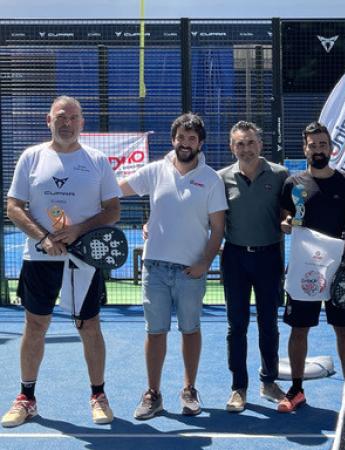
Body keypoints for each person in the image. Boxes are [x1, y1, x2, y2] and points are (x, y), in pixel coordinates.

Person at [2, 96, 121, 427]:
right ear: (48, 120)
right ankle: (26, 398)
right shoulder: (31, 157)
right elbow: (14, 206)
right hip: (40, 258)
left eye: (73, 117)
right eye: (60, 117)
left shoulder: (97, 161)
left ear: (82, 123)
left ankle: (98, 395)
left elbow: (113, 210)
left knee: (89, 326)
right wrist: (43, 237)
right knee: (35, 326)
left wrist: (79, 230)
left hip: (84, 261)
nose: (66, 122)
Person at [119, 113, 227, 420]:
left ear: (200, 143)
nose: (185, 143)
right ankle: (153, 394)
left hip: (190, 272)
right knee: (155, 332)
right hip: (154, 269)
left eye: (192, 138)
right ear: (173, 140)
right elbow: (118, 188)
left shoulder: (211, 179)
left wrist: (204, 263)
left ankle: (189, 390)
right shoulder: (155, 171)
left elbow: (217, 228)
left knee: (190, 330)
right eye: (181, 137)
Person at [277, 121, 345, 413]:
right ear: (305, 149)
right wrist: (287, 224)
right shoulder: (293, 184)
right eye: (312, 145)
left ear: (331, 147)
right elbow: (285, 217)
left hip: (339, 269)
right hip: (305, 271)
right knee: (299, 330)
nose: (317, 150)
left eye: (322, 144)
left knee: (344, 331)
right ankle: (297, 389)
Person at [218, 121, 288, 411]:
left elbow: (289, 212)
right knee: (237, 326)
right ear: (232, 147)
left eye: (250, 142)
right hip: (234, 258)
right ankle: (238, 387)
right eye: (239, 144)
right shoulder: (221, 178)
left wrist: (287, 221)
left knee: (268, 323)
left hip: (269, 257)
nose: (245, 149)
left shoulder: (281, 175)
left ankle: (269, 381)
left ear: (260, 144)